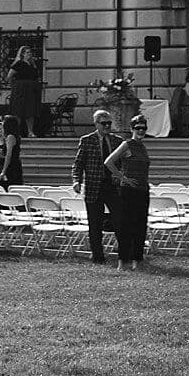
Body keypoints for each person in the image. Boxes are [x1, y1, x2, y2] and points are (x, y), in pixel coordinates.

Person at [104, 115, 152, 269]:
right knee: (126, 226)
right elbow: (109, 162)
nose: (141, 131)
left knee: (140, 226)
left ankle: (137, 260)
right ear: (132, 129)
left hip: (143, 190)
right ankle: (122, 261)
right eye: (138, 128)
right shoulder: (127, 144)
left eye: (143, 128)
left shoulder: (142, 147)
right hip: (129, 191)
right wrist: (123, 178)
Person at [71, 108, 118, 264]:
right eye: (104, 123)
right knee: (95, 223)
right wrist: (76, 180)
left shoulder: (117, 141)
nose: (107, 126)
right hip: (93, 186)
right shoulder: (87, 140)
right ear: (96, 124)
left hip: (112, 186)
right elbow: (78, 163)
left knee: (119, 220)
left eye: (109, 123)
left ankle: (124, 252)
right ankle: (98, 256)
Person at [8, 47, 42, 136]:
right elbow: (10, 76)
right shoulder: (19, 64)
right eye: (27, 52)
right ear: (22, 54)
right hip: (20, 89)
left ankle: (30, 131)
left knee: (30, 111)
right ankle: (16, 131)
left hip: (31, 90)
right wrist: (14, 86)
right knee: (18, 111)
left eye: (30, 52)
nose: (29, 54)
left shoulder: (33, 65)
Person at [0, 113, 22, 188]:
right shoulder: (12, 136)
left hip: (12, 166)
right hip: (14, 164)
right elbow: (4, 152)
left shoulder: (10, 137)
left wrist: (4, 170)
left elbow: (8, 155)